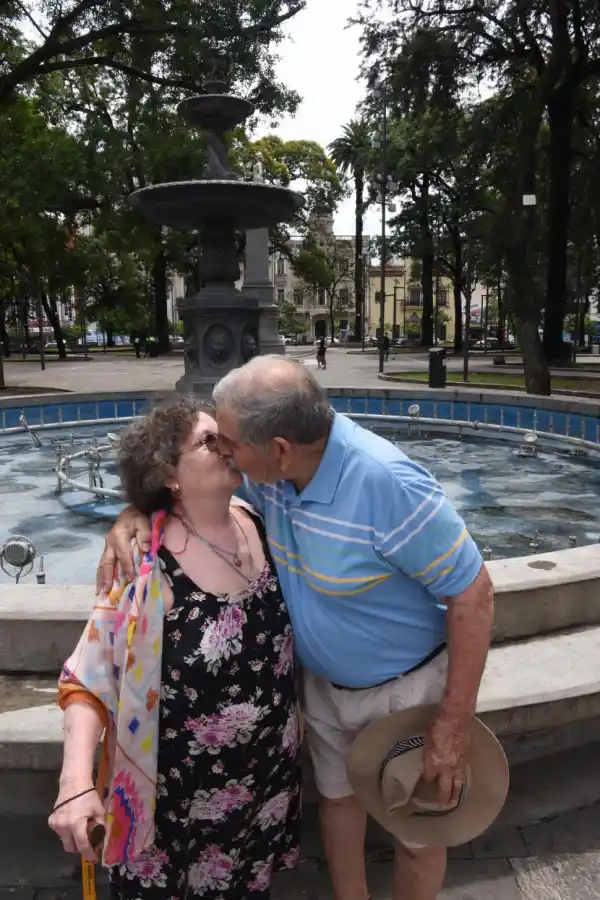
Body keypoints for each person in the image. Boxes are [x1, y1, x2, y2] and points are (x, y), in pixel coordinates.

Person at [97, 358, 494, 900]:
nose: (224, 454)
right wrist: (135, 513)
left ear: (278, 447)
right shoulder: (274, 480)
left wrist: (452, 725)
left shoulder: (386, 483)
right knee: (338, 803)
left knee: (418, 831)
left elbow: (473, 593)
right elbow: (192, 501)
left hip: (404, 690)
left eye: (229, 443)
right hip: (324, 691)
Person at [50, 396, 301, 899]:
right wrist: (75, 781)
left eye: (227, 437)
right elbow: (87, 675)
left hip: (263, 783)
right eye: (210, 442)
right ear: (168, 473)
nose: (227, 448)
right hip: (171, 803)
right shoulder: (143, 565)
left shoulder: (263, 520)